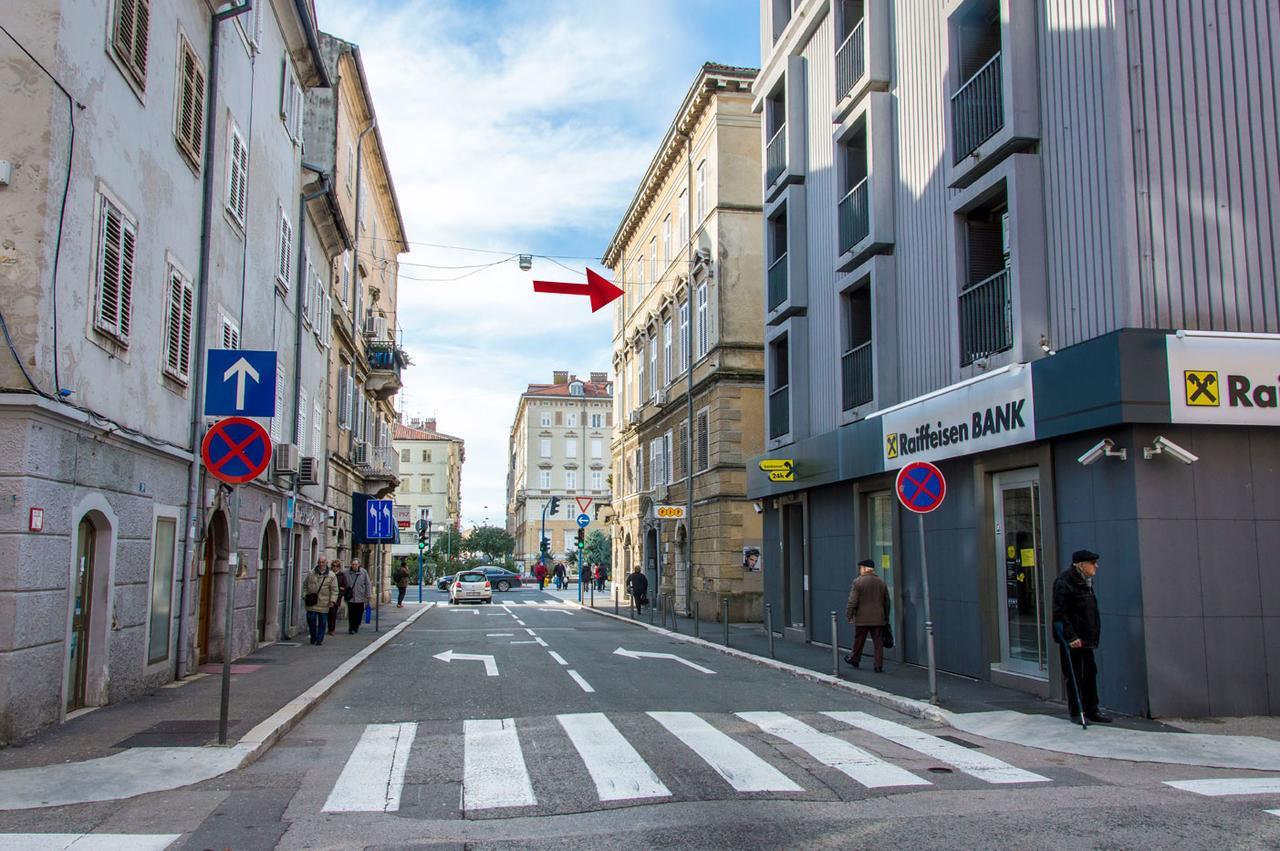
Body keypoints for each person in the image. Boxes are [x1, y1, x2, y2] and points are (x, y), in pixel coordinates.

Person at [1053, 549, 1111, 723]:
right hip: (1074, 639)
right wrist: (1070, 637)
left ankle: (1092, 709)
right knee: (1074, 674)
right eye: (1092, 563)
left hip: (1087, 637)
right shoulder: (1065, 582)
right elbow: (1061, 613)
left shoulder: (1086, 581)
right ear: (1080, 564)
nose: (1096, 566)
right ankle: (1077, 712)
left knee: (1090, 673)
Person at [845, 558, 889, 672]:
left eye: (860, 568)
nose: (860, 570)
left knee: (859, 640)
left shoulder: (858, 582)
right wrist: (886, 616)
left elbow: (852, 601)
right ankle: (878, 665)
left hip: (862, 618)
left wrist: (849, 615)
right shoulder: (881, 582)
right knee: (878, 643)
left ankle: (855, 659)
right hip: (878, 618)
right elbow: (887, 602)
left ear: (865, 569)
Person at [304, 558, 339, 646]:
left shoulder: (331, 575)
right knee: (311, 620)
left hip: (324, 602)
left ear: (326, 563)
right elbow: (305, 585)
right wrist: (304, 595)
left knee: (322, 622)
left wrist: (332, 601)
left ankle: (319, 639)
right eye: (319, 562)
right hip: (312, 602)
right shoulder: (311, 573)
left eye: (323, 562)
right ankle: (313, 636)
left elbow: (334, 590)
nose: (321, 564)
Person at [342, 559, 372, 634]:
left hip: (360, 597)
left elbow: (368, 584)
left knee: (359, 613)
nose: (354, 566)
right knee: (351, 614)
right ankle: (351, 628)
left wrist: (368, 594)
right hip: (351, 597)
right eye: (352, 564)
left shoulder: (363, 572)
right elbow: (341, 581)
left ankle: (356, 626)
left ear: (359, 564)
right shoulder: (346, 572)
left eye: (355, 564)